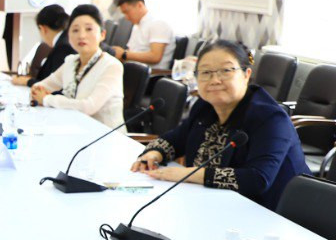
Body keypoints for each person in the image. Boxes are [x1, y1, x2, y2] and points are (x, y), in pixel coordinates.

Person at [132, 40, 307, 210]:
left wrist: (187, 174)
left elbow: (258, 179)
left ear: (246, 75)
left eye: (225, 71)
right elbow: (177, 138)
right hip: (212, 203)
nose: (215, 80)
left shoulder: (271, 118)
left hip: (270, 212)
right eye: (206, 72)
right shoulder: (205, 106)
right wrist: (154, 153)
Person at [30, 4, 124, 127]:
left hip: (106, 134)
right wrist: (37, 92)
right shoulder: (71, 62)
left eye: (88, 29)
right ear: (68, 36)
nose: (81, 35)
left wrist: (47, 99)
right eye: (75, 30)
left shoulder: (112, 66)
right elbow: (39, 87)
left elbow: (89, 106)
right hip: (74, 128)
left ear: (102, 34)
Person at [10, 4, 71, 88]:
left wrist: (27, 81)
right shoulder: (65, 41)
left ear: (43, 29)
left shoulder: (63, 47)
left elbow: (53, 85)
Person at [111, 0, 174, 70]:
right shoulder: (136, 26)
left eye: (127, 12)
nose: (126, 17)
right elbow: (132, 51)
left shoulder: (158, 24)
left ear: (139, 5)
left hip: (152, 74)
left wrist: (124, 54)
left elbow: (155, 57)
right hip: (133, 69)